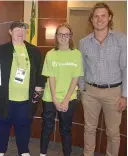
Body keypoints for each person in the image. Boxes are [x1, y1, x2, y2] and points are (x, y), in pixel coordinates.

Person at [0, 21, 45, 156]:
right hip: (4, 98)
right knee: (1, 127)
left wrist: (38, 90)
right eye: (17, 29)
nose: (21, 32)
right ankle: (0, 151)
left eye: (23, 29)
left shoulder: (34, 51)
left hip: (25, 100)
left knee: (24, 127)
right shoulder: (1, 50)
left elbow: (41, 72)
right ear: (10, 32)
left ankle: (24, 151)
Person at [79, 2, 127, 156]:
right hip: (90, 93)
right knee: (89, 129)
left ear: (109, 17)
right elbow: (82, 69)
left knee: (113, 133)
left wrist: (125, 95)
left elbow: (126, 68)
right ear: (91, 19)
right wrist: (82, 91)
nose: (99, 19)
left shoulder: (121, 40)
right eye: (96, 16)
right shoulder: (84, 42)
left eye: (103, 16)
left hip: (114, 93)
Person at [39, 23, 83, 156]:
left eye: (66, 34)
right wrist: (54, 99)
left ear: (70, 36)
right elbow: (51, 77)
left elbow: (75, 79)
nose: (63, 37)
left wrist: (65, 100)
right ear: (56, 36)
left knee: (66, 129)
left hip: (69, 98)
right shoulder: (50, 54)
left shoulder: (76, 54)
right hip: (50, 98)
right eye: (60, 34)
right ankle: (42, 153)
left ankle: (67, 153)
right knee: (47, 128)